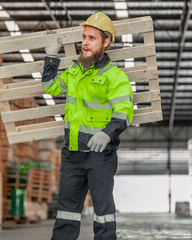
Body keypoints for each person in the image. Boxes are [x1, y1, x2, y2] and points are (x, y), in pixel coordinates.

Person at [42, 12, 134, 240]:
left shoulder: (115, 77)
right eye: (84, 37)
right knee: (66, 215)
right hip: (72, 153)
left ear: (106, 43)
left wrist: (107, 133)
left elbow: (124, 112)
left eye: (92, 38)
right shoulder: (74, 72)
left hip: (100, 155)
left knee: (103, 215)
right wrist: (50, 58)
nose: (85, 42)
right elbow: (50, 87)